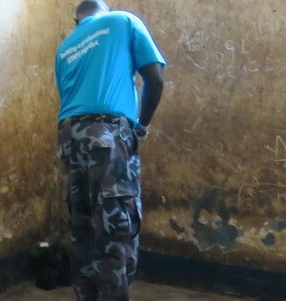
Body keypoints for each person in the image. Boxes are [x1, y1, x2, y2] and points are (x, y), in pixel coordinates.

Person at [54, 1, 166, 300]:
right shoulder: (122, 21)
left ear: (75, 20)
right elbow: (154, 79)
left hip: (69, 135)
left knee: (84, 227)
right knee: (116, 226)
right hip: (107, 133)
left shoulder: (64, 48)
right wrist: (141, 126)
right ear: (103, 9)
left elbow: (69, 98)